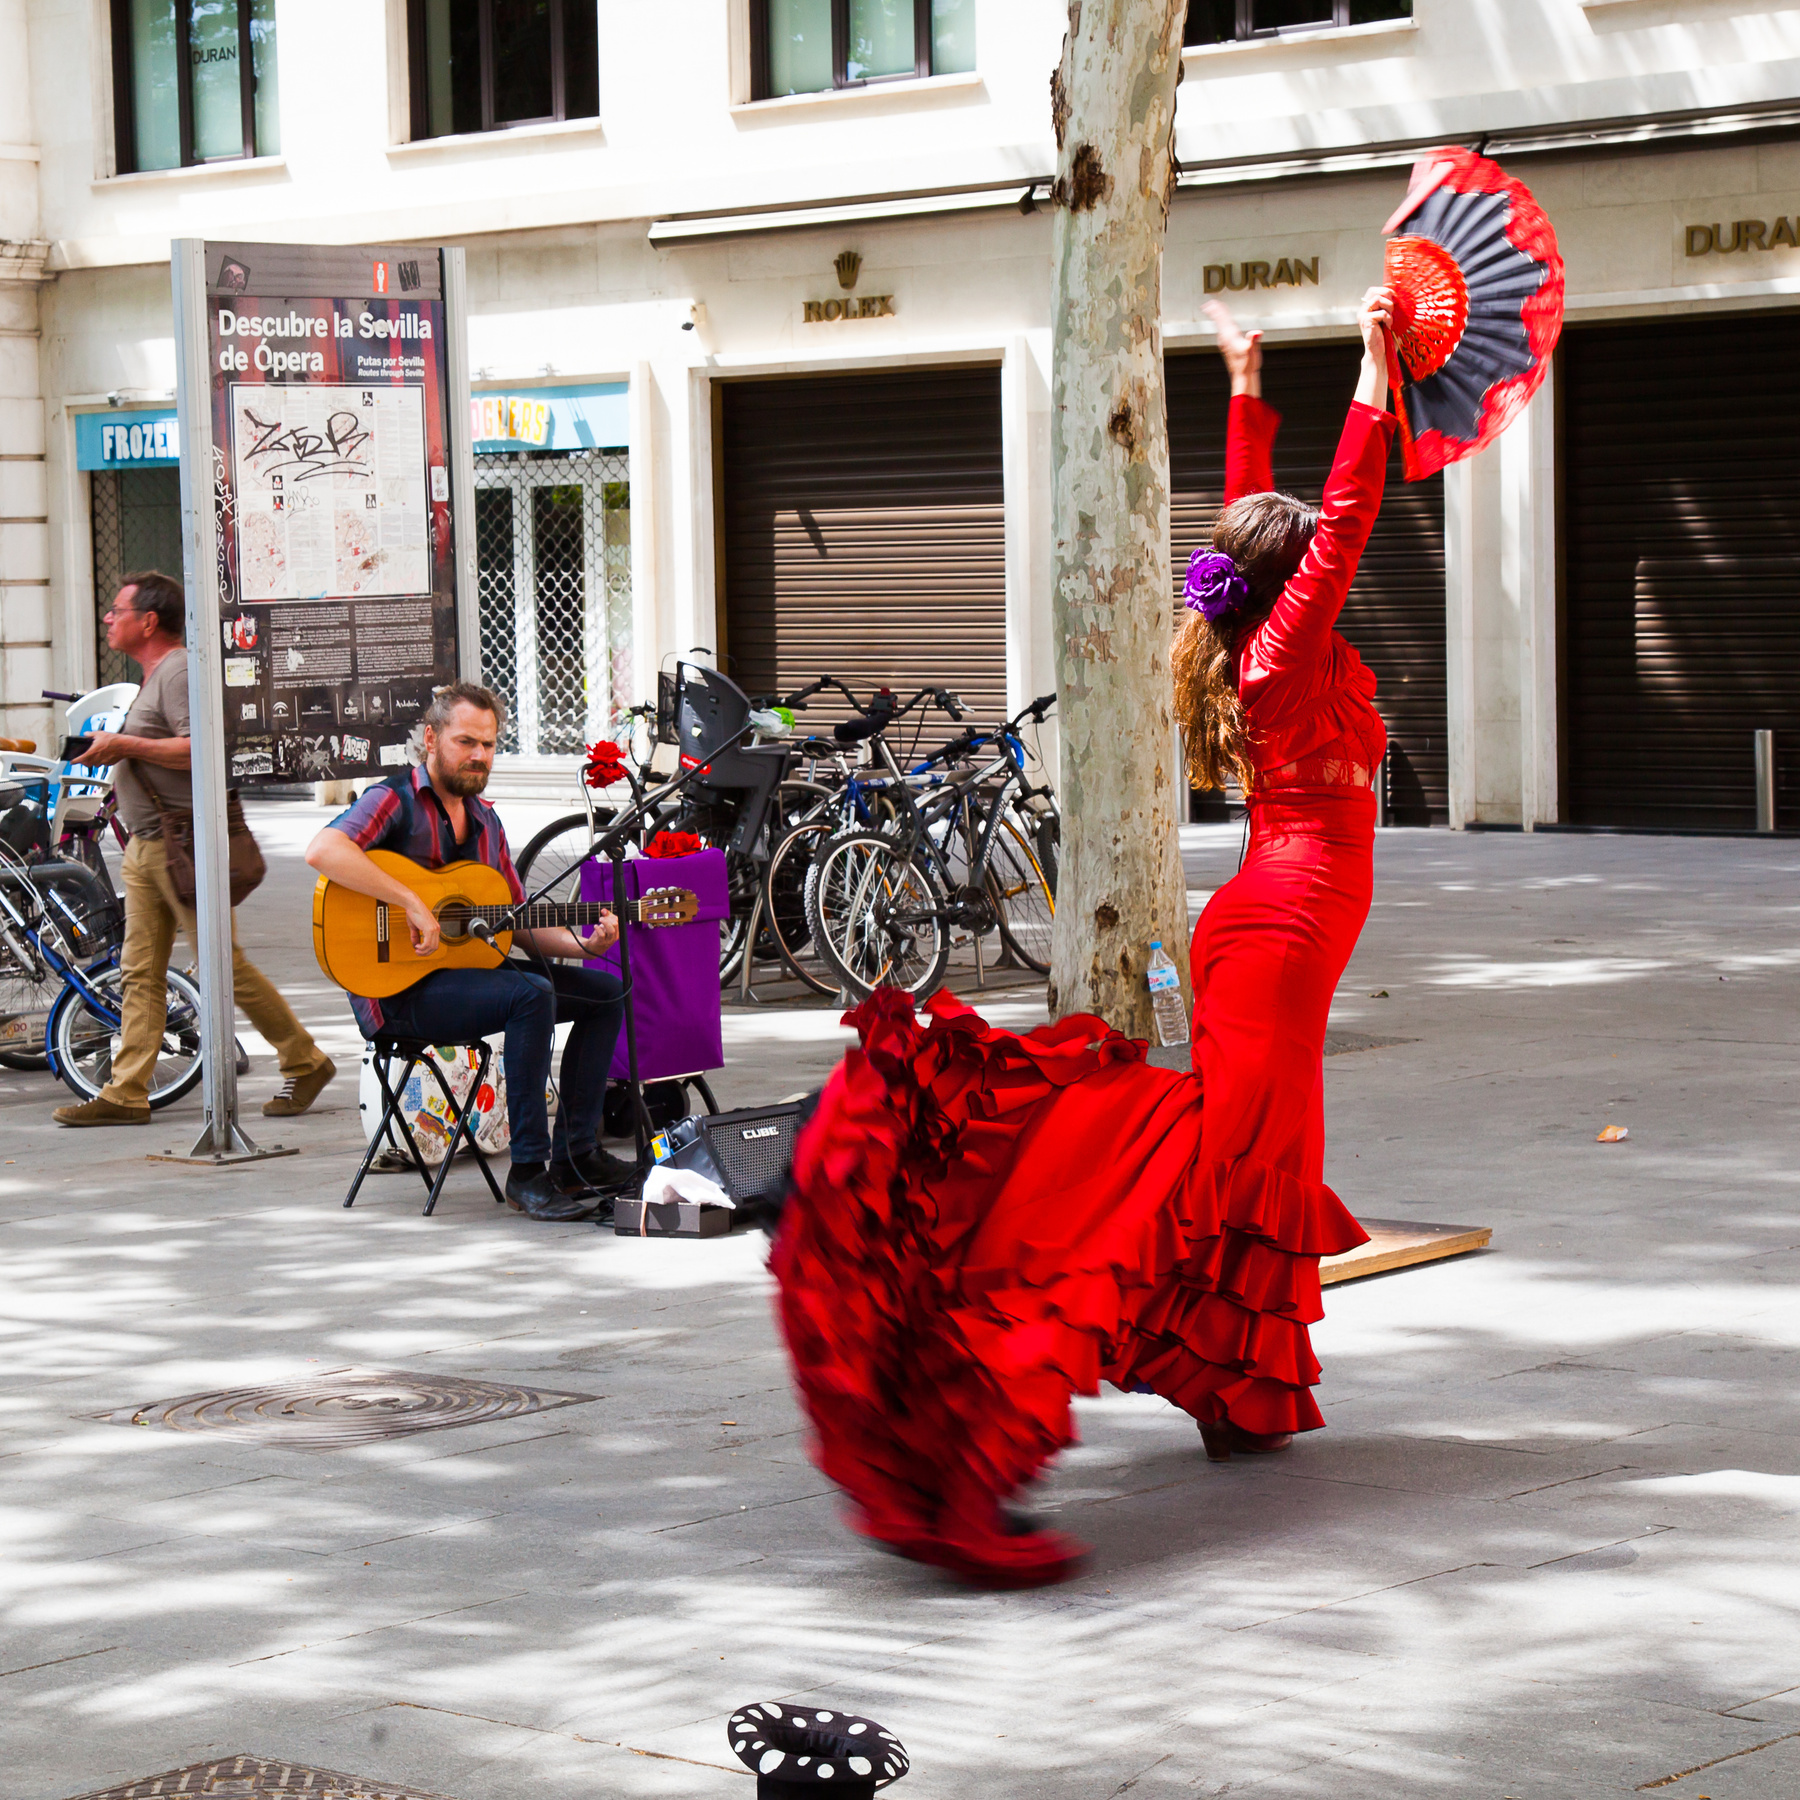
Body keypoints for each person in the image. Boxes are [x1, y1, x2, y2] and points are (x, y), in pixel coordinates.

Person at [770, 287, 1399, 1587]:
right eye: (1308, 570)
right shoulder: (1283, 655)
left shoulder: (1262, 633)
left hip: (1278, 927)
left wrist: (1245, 382)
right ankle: (1022, 1385)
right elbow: (1339, 522)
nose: (1325, 577)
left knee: (1261, 1164)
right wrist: (1373, 376)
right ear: (1290, 587)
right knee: (1214, 1172)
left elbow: (1268, 529)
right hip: (1281, 933)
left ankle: (1244, 1392)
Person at [304, 682, 632, 1223]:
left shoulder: (485, 822)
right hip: (395, 992)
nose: (479, 755)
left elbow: (516, 922)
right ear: (431, 739)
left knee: (605, 991)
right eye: (465, 742)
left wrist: (583, 943)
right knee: (531, 994)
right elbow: (323, 849)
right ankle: (528, 1172)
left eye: (489, 744)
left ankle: (577, 1156)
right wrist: (410, 901)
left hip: (461, 977)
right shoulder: (394, 799)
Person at [54, 571, 334, 1126]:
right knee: (139, 970)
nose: (108, 618)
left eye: (117, 610)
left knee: (223, 966)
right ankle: (126, 1092)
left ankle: (305, 1060)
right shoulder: (155, 675)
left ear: (148, 621)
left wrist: (123, 744)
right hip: (148, 848)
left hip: (182, 846)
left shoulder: (179, 670)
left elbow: (203, 748)